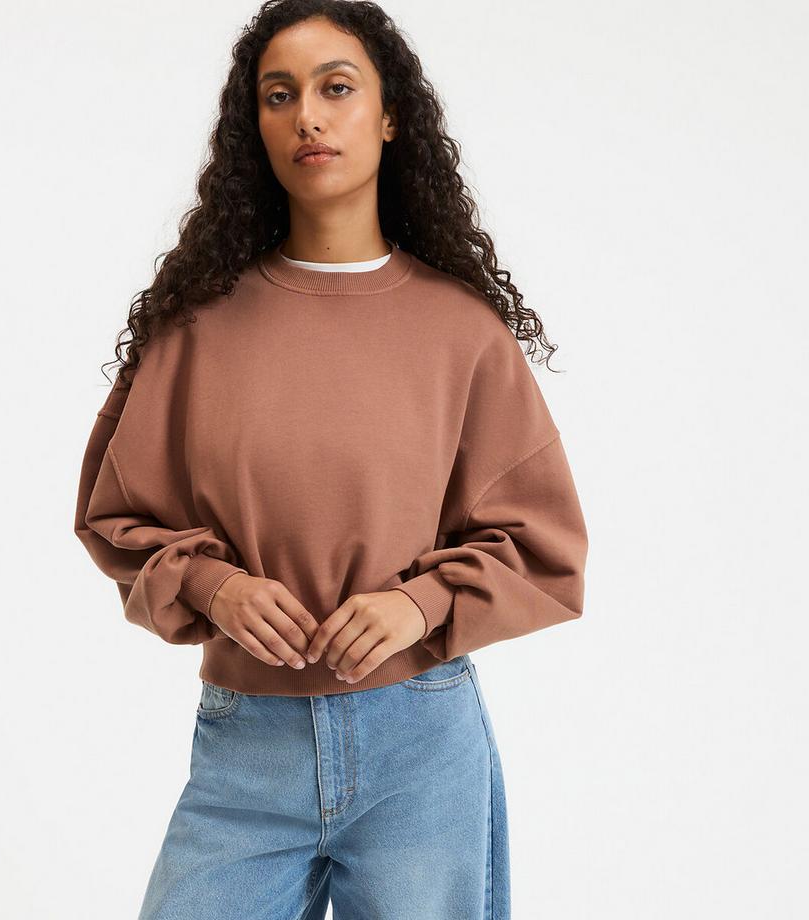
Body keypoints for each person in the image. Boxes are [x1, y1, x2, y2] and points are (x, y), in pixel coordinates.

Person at [72, 2, 589, 917]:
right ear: (255, 129)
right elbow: (115, 515)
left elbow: (542, 545)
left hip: (421, 744)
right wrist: (215, 588)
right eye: (279, 96)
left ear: (390, 117)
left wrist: (417, 603)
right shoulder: (196, 329)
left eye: (336, 88)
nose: (308, 115)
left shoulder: (462, 333)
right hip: (247, 746)